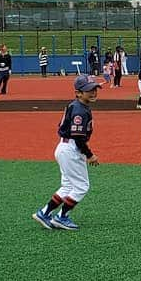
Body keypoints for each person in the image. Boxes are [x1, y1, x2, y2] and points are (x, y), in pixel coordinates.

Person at [33, 75, 102, 230]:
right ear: (78, 93)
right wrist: (89, 155)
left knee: (67, 186)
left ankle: (44, 213)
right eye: (88, 90)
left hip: (64, 147)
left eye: (94, 89)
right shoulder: (80, 110)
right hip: (71, 149)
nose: (93, 92)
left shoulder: (75, 105)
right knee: (81, 187)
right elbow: (78, 136)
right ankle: (61, 217)